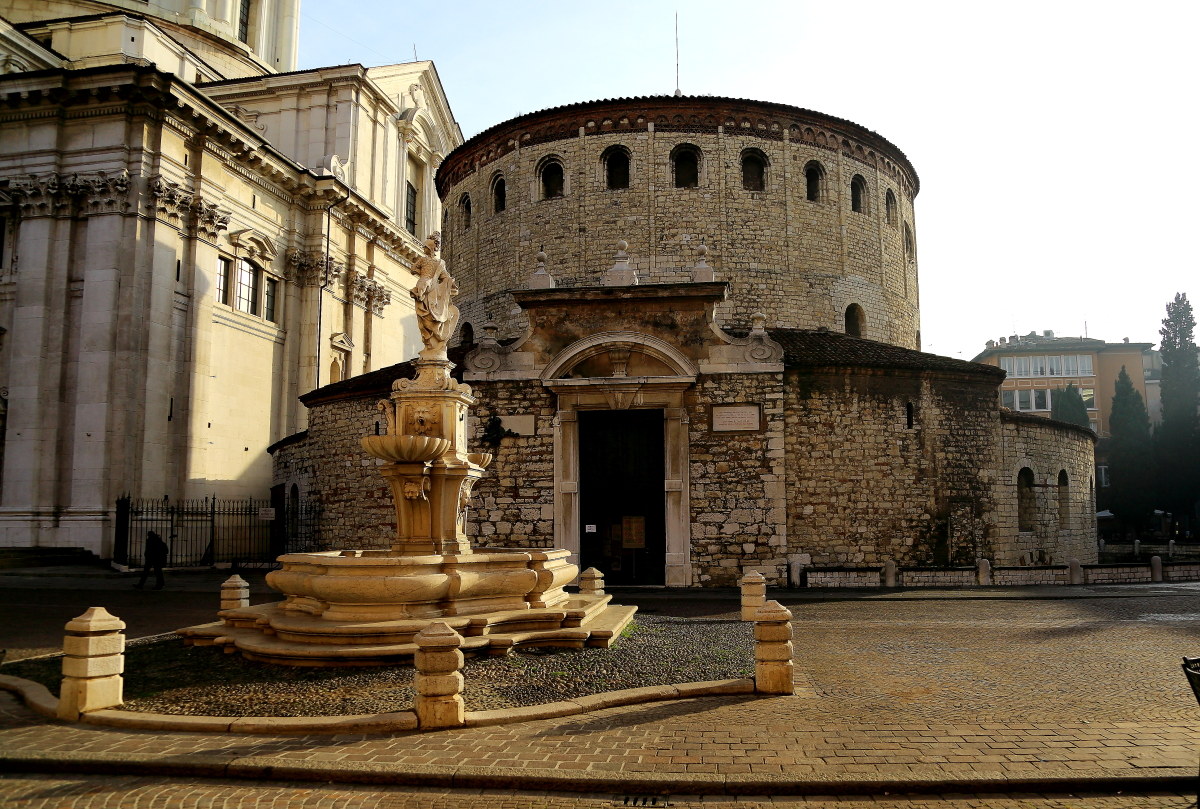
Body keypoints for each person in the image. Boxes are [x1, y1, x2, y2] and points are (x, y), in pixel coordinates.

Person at [410, 232, 460, 358]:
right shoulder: (426, 260)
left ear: (430, 248)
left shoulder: (439, 263)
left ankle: (435, 341)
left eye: (426, 247)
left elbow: (445, 277)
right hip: (425, 290)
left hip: (430, 292)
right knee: (424, 319)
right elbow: (414, 269)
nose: (424, 249)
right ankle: (430, 343)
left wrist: (450, 284)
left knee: (431, 317)